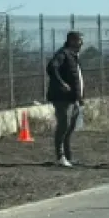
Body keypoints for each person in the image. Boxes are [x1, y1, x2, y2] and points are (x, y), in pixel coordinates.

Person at [45, 30, 85, 167]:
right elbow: (52, 67)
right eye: (79, 40)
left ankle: (68, 156)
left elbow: (76, 77)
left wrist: (80, 97)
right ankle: (60, 156)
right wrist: (62, 83)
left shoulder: (74, 56)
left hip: (74, 98)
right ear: (72, 40)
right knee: (64, 125)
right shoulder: (63, 54)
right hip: (62, 98)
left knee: (70, 127)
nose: (81, 43)